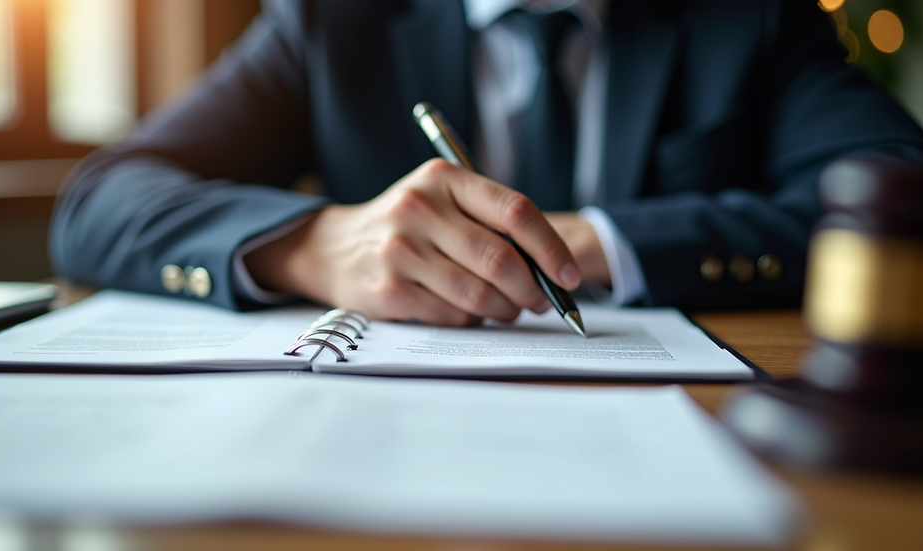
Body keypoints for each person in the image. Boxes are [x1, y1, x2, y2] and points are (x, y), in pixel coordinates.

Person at [50, 0, 923, 326]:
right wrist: (314, 244)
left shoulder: (752, 18)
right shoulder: (329, 21)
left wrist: (604, 241)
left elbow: (900, 186)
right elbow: (97, 201)